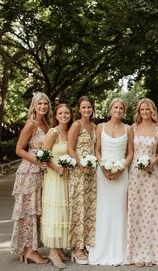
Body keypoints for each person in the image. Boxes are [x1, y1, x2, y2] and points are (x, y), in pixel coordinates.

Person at [89, 97, 134, 265]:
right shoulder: (100, 127)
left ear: (124, 111)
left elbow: (130, 152)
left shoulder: (128, 129)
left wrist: (122, 167)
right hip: (103, 174)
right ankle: (101, 249)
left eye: (121, 108)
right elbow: (97, 150)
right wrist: (103, 166)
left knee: (119, 210)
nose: (118, 110)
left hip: (122, 174)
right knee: (103, 210)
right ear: (110, 109)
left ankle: (119, 251)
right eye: (115, 107)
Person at [10, 92, 53, 263]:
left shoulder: (46, 123)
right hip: (29, 172)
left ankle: (28, 248)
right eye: (39, 104)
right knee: (29, 211)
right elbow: (19, 149)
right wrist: (37, 161)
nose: (43, 107)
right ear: (34, 106)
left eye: (45, 104)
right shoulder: (31, 124)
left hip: (41, 171)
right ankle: (29, 250)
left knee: (37, 210)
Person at [126, 98, 158, 267]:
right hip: (135, 174)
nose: (145, 112)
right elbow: (129, 151)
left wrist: (152, 162)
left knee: (151, 211)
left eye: (148, 110)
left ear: (152, 111)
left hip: (152, 173)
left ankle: (152, 253)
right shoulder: (133, 128)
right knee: (136, 211)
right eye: (142, 110)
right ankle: (136, 254)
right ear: (139, 111)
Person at [40, 103, 73, 269]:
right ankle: (53, 251)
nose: (64, 115)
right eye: (61, 113)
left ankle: (60, 248)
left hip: (67, 176)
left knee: (64, 212)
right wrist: (57, 168)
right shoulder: (53, 132)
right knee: (55, 212)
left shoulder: (71, 131)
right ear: (56, 116)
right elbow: (43, 156)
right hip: (54, 176)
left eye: (67, 113)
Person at [67, 96, 97, 264]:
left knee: (89, 209)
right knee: (78, 208)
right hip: (79, 173)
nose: (86, 110)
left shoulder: (94, 126)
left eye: (89, 107)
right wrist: (80, 165)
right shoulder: (76, 125)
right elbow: (71, 149)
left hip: (92, 173)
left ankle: (85, 243)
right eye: (83, 108)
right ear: (79, 109)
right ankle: (76, 247)